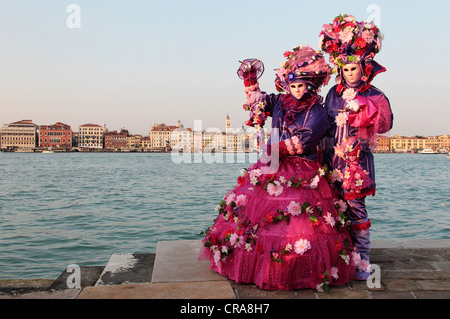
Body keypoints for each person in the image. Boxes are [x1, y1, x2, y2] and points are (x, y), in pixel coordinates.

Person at [198, 45, 357, 291]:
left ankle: (296, 270)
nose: (297, 90)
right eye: (293, 86)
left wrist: (277, 148)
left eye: (302, 86)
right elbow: (258, 103)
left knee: (301, 223)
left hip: (300, 167)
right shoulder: (279, 102)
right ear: (286, 85)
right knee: (256, 215)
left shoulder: (316, 109)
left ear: (310, 85)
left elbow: (308, 137)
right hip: (272, 164)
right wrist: (250, 81)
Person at [319, 14, 393, 280]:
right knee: (335, 207)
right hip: (331, 158)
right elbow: (325, 123)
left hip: (356, 162)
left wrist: (365, 109)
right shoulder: (332, 93)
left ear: (364, 68)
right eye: (345, 69)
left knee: (356, 207)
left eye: (354, 68)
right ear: (340, 69)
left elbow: (386, 124)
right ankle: (342, 256)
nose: (350, 73)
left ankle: (363, 260)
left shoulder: (375, 94)